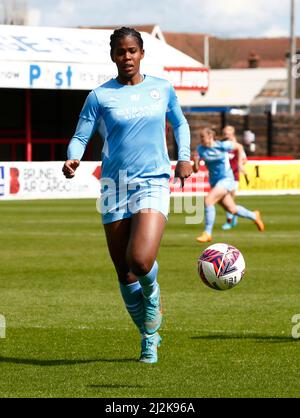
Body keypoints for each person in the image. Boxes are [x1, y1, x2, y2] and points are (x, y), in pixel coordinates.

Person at [62, 27, 192, 364]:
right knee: (124, 272)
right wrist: (72, 157)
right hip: (113, 186)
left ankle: (154, 296)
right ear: (113, 56)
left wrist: (184, 157)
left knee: (141, 260)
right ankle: (149, 336)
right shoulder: (100, 96)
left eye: (132, 50)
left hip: (152, 181)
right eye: (121, 51)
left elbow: (179, 123)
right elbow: (81, 135)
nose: (127, 57)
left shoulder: (161, 88)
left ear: (142, 53)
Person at [191, 127, 264, 243]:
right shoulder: (201, 149)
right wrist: (195, 161)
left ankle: (207, 233)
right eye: (200, 137)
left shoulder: (222, 145)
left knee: (208, 200)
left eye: (202, 137)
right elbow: (195, 170)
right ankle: (254, 215)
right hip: (215, 182)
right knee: (232, 209)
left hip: (226, 179)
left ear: (210, 137)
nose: (201, 139)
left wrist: (240, 164)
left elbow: (239, 147)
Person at [221, 125, 248, 230]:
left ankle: (230, 220)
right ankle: (233, 217)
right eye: (225, 132)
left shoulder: (237, 146)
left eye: (228, 132)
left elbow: (244, 159)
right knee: (227, 199)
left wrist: (240, 165)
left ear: (232, 133)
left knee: (230, 198)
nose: (226, 134)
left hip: (234, 175)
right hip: (223, 176)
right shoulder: (221, 145)